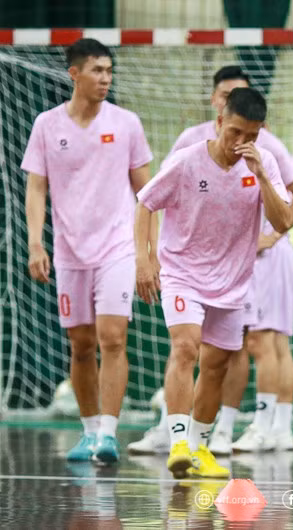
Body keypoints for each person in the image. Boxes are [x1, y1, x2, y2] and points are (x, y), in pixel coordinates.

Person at [127, 65, 293, 456]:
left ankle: (199, 448)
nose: (240, 142)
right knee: (186, 347)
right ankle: (178, 442)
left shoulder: (264, 164)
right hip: (182, 273)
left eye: (251, 135)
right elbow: (145, 202)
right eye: (235, 133)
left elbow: (282, 221)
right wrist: (144, 262)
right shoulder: (186, 159)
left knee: (217, 365)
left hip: (233, 281)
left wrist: (262, 174)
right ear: (218, 122)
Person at [22, 38, 155, 464]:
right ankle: (89, 430)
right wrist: (35, 242)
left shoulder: (127, 122)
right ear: (74, 74)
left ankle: (109, 435)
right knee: (80, 345)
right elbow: (36, 187)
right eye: (97, 70)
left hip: (116, 248)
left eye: (109, 71)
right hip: (67, 252)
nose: (105, 78)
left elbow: (147, 193)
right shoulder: (47, 124)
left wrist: (149, 251)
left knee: (112, 338)